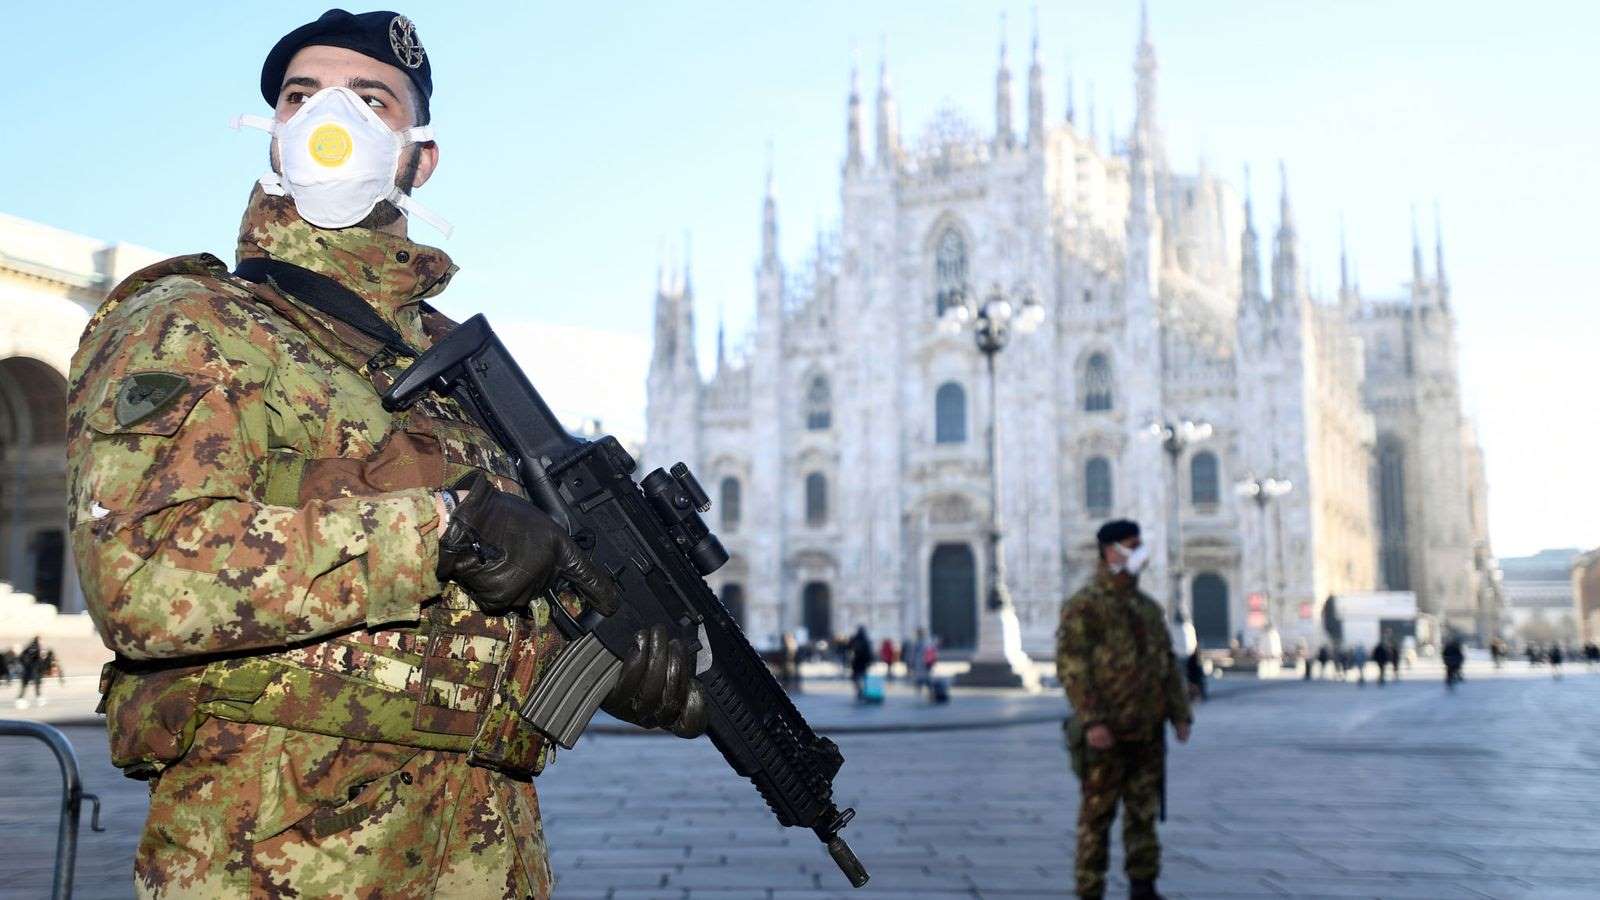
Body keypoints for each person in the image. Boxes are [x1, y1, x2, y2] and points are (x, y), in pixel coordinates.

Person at [66, 11, 709, 897]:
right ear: (276, 133)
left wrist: (608, 664)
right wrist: (442, 531)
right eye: (303, 97)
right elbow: (139, 578)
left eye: (370, 100)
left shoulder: (464, 374)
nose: (334, 125)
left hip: (486, 859)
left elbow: (485, 615)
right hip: (275, 859)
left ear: (419, 153)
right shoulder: (191, 324)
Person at [1056, 520, 1192, 900]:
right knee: (1097, 817)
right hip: (1107, 732)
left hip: (1147, 730)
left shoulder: (1147, 608)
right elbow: (1072, 668)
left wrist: (1180, 714)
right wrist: (1093, 720)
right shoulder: (1085, 605)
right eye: (1133, 546)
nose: (1140, 552)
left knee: (1143, 814)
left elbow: (1165, 663)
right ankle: (1089, 890)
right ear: (1110, 551)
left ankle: (1143, 886)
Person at [848, 626, 873, 694]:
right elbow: (869, 652)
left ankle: (860, 690)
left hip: (857, 661)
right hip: (863, 662)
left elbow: (849, 647)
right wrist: (870, 661)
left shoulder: (855, 638)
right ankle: (864, 690)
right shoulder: (865, 640)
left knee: (856, 677)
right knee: (863, 677)